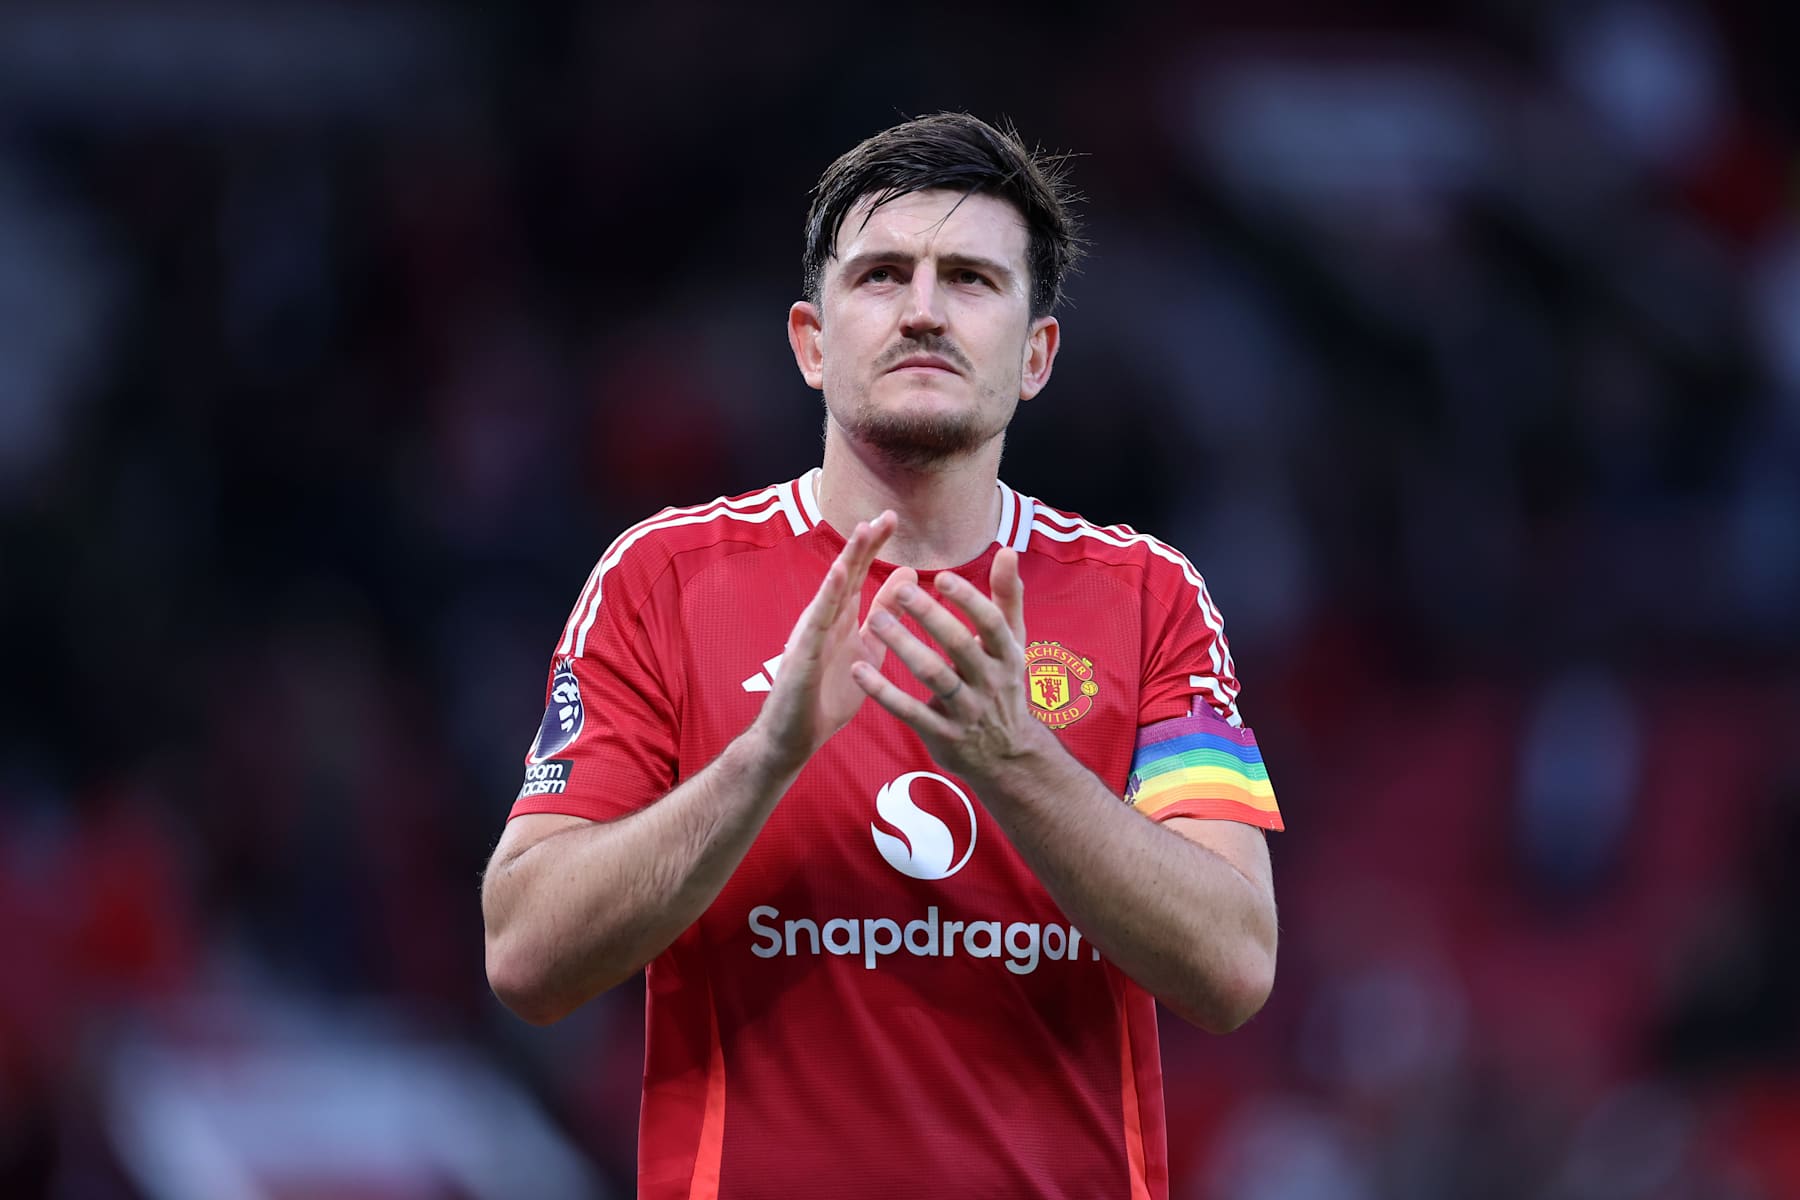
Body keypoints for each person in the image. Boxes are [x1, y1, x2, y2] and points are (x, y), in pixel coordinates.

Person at [481, 112, 1283, 1199]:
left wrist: (1015, 760)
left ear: (1036, 354)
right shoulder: (662, 582)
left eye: (970, 279)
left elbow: (1235, 966)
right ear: (812, 342)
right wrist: (762, 760)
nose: (921, 310)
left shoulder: (1146, 598)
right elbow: (524, 955)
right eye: (881, 275)